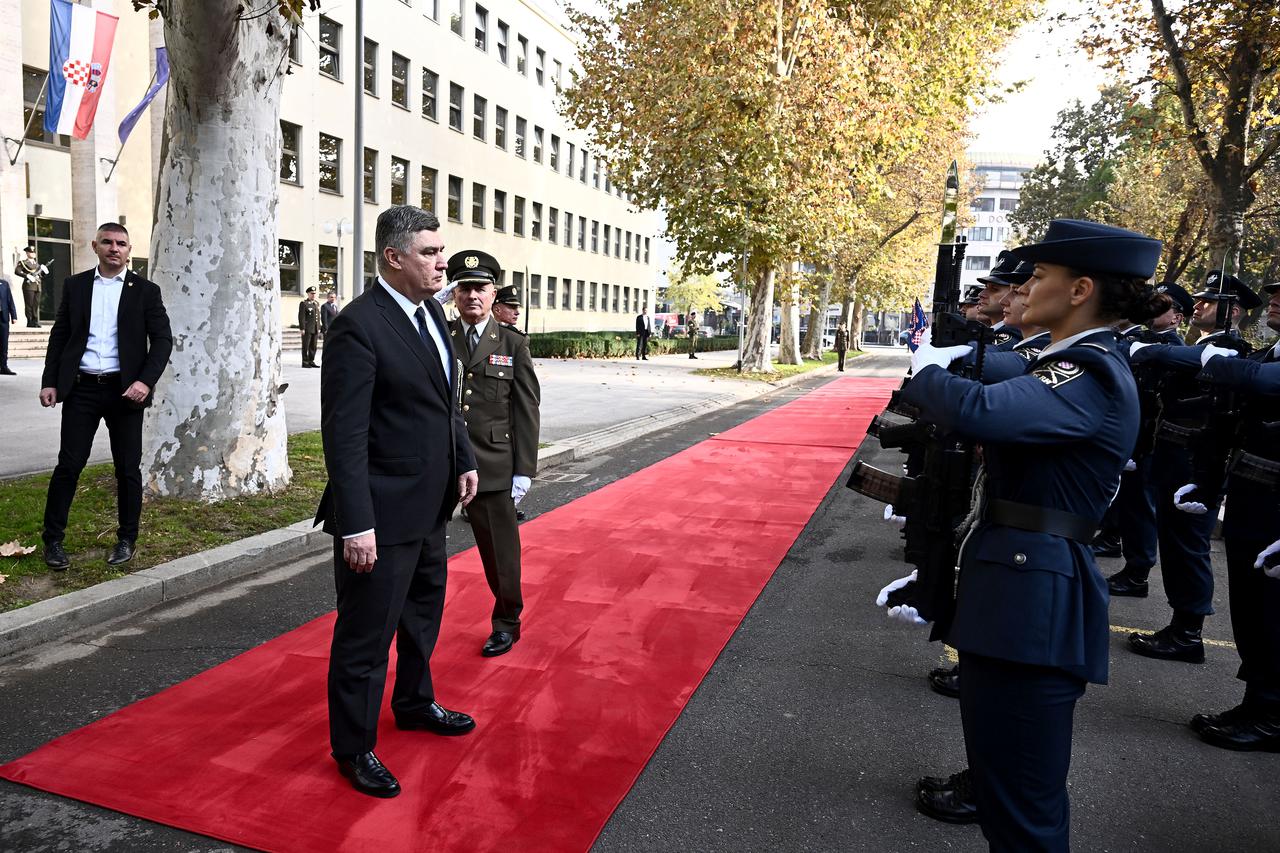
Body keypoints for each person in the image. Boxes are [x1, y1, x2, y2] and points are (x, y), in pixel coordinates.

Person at [893, 219, 1161, 850]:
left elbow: (983, 409)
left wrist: (928, 372)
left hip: (1032, 606)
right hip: (1014, 591)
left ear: (1080, 290)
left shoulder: (1089, 371)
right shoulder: (1063, 361)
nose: (1025, 287)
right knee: (1004, 786)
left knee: (1022, 811)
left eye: (1039, 275)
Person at [315, 205, 479, 799]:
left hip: (430, 504)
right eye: (431, 252)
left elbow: (446, 397)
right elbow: (345, 432)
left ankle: (413, 702)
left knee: (421, 617)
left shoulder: (433, 311)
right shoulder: (359, 325)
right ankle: (354, 747)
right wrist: (356, 523)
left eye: (442, 250)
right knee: (365, 634)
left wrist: (462, 458)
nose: (444, 261)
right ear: (394, 257)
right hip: (380, 515)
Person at [1121, 274, 1261, 662]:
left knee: (1187, 543)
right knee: (1175, 540)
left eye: (1207, 301)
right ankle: (1181, 623)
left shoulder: (1230, 347)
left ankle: (1188, 631)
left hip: (1195, 460)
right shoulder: (1204, 344)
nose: (1197, 306)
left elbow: (1179, 360)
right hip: (1174, 454)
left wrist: (1144, 350)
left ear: (1232, 312)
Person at [38, 223, 173, 571]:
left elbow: (162, 340)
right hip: (81, 388)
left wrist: (145, 381)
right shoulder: (76, 286)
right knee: (69, 465)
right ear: (95, 246)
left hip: (125, 392)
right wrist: (50, 381)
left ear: (129, 250)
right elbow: (61, 335)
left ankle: (127, 538)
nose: (115, 248)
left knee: (127, 469)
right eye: (108, 242)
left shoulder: (145, 291)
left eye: (122, 244)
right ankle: (53, 541)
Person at [1183, 279, 1280, 750]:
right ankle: (1258, 701)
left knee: (1275, 615)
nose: (1276, 297)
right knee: (1251, 610)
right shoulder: (1267, 356)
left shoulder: (1261, 366)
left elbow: (1257, 382)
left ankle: (1273, 716)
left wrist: (1217, 361)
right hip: (1250, 501)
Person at [446, 251, 541, 657]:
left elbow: (526, 408)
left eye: (480, 288)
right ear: (454, 293)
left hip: (492, 464)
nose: (472, 296)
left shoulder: (511, 343)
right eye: (464, 288)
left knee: (501, 555)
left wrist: (524, 469)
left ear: (493, 294)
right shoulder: (436, 333)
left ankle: (506, 622)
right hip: (441, 460)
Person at [16, 245, 49, 327]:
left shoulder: (37, 264)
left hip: (37, 286)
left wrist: (44, 272)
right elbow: (17, 271)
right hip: (29, 286)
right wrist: (27, 276)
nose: (33, 253)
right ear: (27, 253)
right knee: (29, 304)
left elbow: (40, 275)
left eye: (34, 252)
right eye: (31, 252)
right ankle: (29, 321)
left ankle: (35, 320)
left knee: (36, 304)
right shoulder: (23, 263)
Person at [299, 286, 322, 368]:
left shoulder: (316, 303)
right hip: (307, 328)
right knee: (306, 345)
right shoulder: (304, 303)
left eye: (314, 294)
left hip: (315, 328)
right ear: (308, 294)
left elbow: (318, 317)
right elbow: (301, 317)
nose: (313, 295)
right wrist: (302, 328)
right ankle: (305, 362)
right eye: (312, 294)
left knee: (314, 346)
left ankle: (311, 361)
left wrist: (319, 327)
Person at [0, 277, 16, 375]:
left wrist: (14, 315)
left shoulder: (4, 284)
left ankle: (4, 366)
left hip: (3, 317)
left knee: (3, 343)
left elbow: (10, 300)